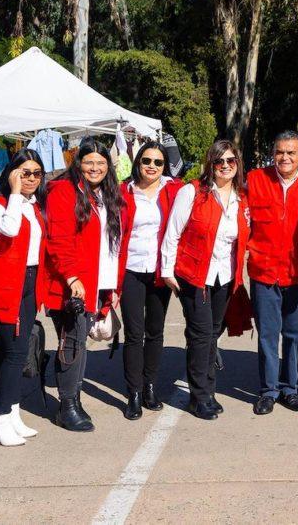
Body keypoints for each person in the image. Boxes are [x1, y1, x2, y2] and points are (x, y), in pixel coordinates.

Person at [161, 139, 250, 421]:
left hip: (225, 275)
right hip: (194, 274)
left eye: (231, 161)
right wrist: (166, 270)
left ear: (238, 164)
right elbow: (173, 232)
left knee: (212, 332)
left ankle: (208, 391)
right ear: (210, 164)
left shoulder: (241, 196)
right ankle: (199, 397)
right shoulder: (193, 192)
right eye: (219, 161)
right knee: (201, 335)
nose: (225, 166)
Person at [43, 138, 123, 432]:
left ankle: (73, 397)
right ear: (78, 163)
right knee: (72, 343)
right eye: (89, 162)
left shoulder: (107, 194)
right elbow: (58, 238)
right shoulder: (63, 191)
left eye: (101, 163)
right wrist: (72, 275)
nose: (95, 168)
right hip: (71, 284)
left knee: (79, 341)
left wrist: (112, 286)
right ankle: (67, 406)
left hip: (96, 281)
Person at [246, 131, 298, 415]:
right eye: (279, 152)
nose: (284, 158)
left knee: (293, 334)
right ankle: (268, 390)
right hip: (264, 272)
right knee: (266, 335)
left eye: (291, 153)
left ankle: (290, 389)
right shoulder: (255, 179)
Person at [0, 149, 49, 446]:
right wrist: (15, 192)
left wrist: (22, 197)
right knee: (12, 352)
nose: (31, 178)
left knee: (21, 351)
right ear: (11, 174)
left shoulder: (33, 205)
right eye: (24, 173)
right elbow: (9, 229)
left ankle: (12, 414)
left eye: (36, 173)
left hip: (31, 280)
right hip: (7, 284)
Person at [117, 142, 181, 420]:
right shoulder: (123, 191)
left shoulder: (175, 190)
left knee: (155, 331)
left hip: (159, 271)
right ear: (137, 162)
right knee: (134, 333)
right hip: (131, 269)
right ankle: (133, 392)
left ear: (164, 165)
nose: (151, 166)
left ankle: (149, 387)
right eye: (146, 161)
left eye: (157, 162)